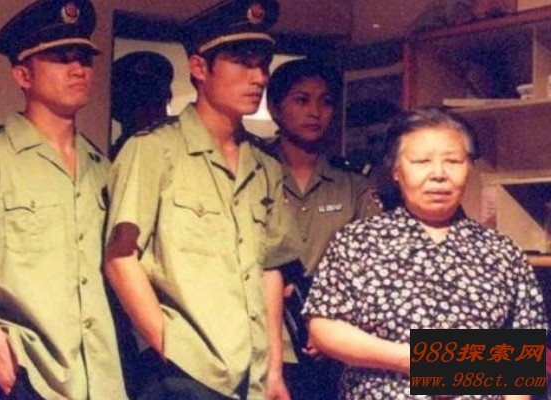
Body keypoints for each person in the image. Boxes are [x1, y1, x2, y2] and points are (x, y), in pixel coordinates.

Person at [105, 1, 299, 399]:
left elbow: (269, 268)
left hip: (253, 374)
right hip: (185, 372)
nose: (259, 77)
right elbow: (120, 258)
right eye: (242, 63)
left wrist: (274, 369)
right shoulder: (154, 150)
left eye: (263, 65)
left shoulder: (264, 164)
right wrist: (170, 347)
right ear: (199, 67)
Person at [302, 107, 547, 400]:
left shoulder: (503, 251)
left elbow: (523, 356)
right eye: (421, 161)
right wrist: (412, 359)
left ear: (469, 167)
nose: (438, 175)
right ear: (396, 170)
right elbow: (323, 327)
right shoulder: (357, 241)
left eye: (453, 161)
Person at [0, 1, 127, 399]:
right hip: (24, 373)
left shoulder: (101, 168)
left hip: (99, 377)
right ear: (23, 75)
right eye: (61, 58)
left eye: (84, 58)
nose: (78, 69)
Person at [265, 58, 381, 400]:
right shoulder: (253, 172)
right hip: (263, 338)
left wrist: (330, 324)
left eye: (325, 102)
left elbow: (370, 265)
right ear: (275, 108)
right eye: (302, 100)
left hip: (335, 345)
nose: (315, 112)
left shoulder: (352, 183)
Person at [110, 51, 174, 160]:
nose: (152, 112)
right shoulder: (109, 160)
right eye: (141, 104)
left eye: (158, 102)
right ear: (120, 109)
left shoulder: (176, 154)